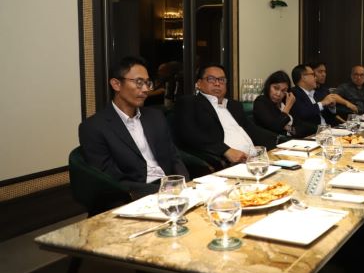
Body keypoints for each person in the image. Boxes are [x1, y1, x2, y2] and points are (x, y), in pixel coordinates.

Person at [79, 56, 189, 198]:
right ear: (116, 84)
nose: (146, 89)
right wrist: (162, 192)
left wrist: (183, 184)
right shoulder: (93, 127)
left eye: (147, 83)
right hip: (134, 195)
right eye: (139, 82)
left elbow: (174, 156)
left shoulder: (156, 116)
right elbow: (110, 179)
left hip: (171, 187)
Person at [173, 63, 277, 168]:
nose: (217, 83)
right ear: (199, 83)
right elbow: (190, 134)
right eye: (211, 79)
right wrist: (225, 150)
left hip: (254, 159)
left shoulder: (234, 105)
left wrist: (278, 140)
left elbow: (251, 129)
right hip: (226, 162)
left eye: (221, 80)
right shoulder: (189, 103)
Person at [253, 70, 316, 138]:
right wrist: (288, 107)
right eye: (276, 88)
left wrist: (288, 128)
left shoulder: (284, 102)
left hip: (291, 140)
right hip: (272, 141)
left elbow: (301, 125)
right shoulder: (261, 101)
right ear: (269, 86)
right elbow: (276, 127)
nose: (278, 94)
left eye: (283, 90)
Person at [289, 64, 341, 128]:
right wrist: (323, 103)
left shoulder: (315, 93)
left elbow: (327, 116)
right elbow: (304, 113)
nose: (315, 78)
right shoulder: (294, 93)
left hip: (328, 129)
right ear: (303, 77)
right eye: (313, 74)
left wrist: (331, 107)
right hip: (312, 132)